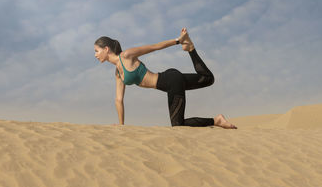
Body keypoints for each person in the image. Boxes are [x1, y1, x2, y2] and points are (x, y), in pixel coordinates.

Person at [94, 28, 237, 129]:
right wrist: (121, 125)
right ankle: (191, 49)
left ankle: (216, 120)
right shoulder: (118, 73)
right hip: (170, 82)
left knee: (178, 126)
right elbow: (118, 100)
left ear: (106, 49)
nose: (95, 55)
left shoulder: (126, 56)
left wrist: (178, 41)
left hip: (171, 80)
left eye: (97, 51)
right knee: (208, 79)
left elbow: (154, 47)